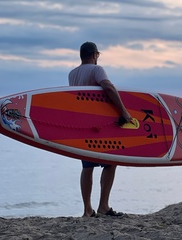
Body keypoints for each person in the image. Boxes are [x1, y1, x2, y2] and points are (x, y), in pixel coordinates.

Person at [68, 42, 132, 217]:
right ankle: (103, 206)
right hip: (99, 124)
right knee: (111, 162)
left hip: (81, 125)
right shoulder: (97, 70)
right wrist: (123, 112)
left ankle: (87, 210)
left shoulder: (72, 74)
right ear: (95, 54)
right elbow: (108, 87)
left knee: (87, 166)